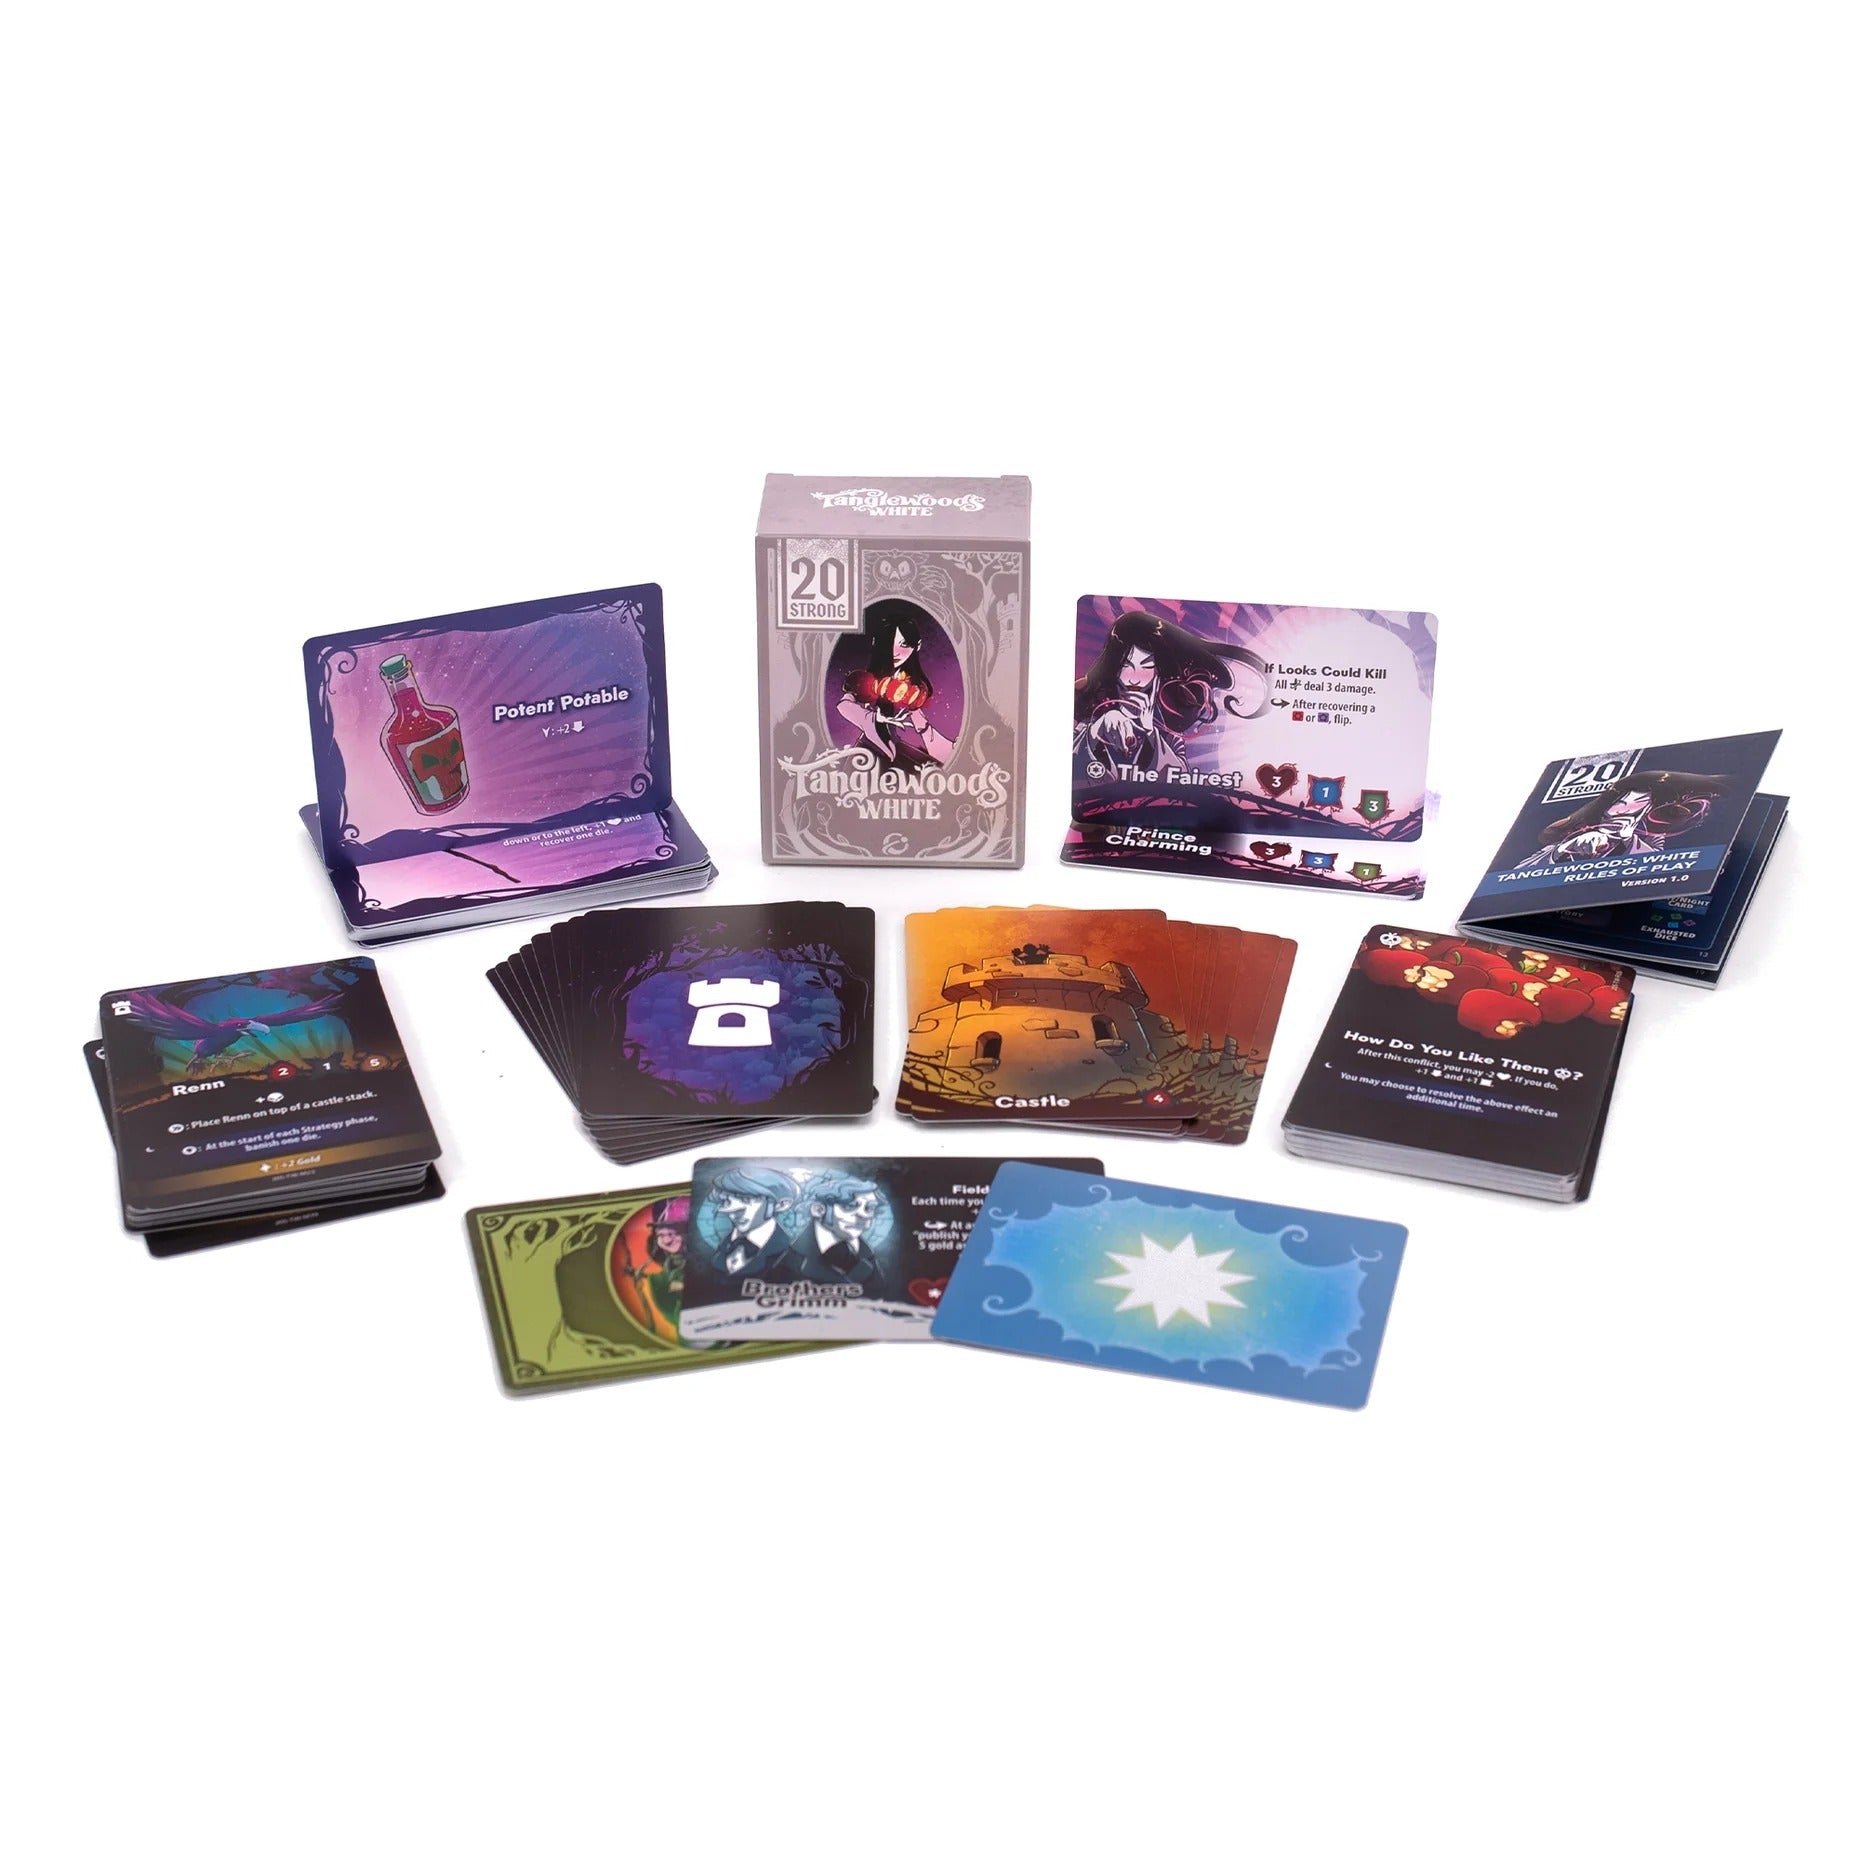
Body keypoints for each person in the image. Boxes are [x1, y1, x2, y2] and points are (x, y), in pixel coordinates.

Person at [1073, 610, 1268, 779]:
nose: (1134, 679)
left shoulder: (1170, 738)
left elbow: (1179, 784)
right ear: (1114, 667)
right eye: (1126, 666)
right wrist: (1096, 730)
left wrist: (1150, 732)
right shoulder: (1089, 723)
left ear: (1157, 674)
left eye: (1147, 667)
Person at [838, 599, 955, 769]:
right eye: (888, 643)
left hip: (895, 748)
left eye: (904, 644)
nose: (895, 652)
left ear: (917, 646)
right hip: (869, 751)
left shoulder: (912, 687)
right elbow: (844, 705)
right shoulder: (865, 680)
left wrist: (947, 750)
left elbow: (922, 726)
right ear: (877, 643)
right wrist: (872, 718)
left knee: (933, 771)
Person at [785, 1172, 889, 1287]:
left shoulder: (871, 1258)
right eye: (849, 1206)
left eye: (869, 1208)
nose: (864, 1215)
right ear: (818, 1210)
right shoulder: (789, 1259)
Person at [700, 1166, 798, 1279]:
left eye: (747, 1199)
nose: (733, 1213)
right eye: (727, 1200)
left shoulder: (791, 1254)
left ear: (781, 1205)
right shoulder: (718, 1248)